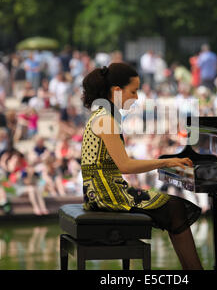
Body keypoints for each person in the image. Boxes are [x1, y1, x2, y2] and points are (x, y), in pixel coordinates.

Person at [81, 63, 203, 270]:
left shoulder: (102, 115)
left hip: (100, 192)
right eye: (133, 91)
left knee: (175, 208)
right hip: (106, 195)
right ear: (116, 91)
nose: (136, 97)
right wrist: (166, 161)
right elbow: (125, 165)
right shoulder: (106, 120)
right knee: (175, 208)